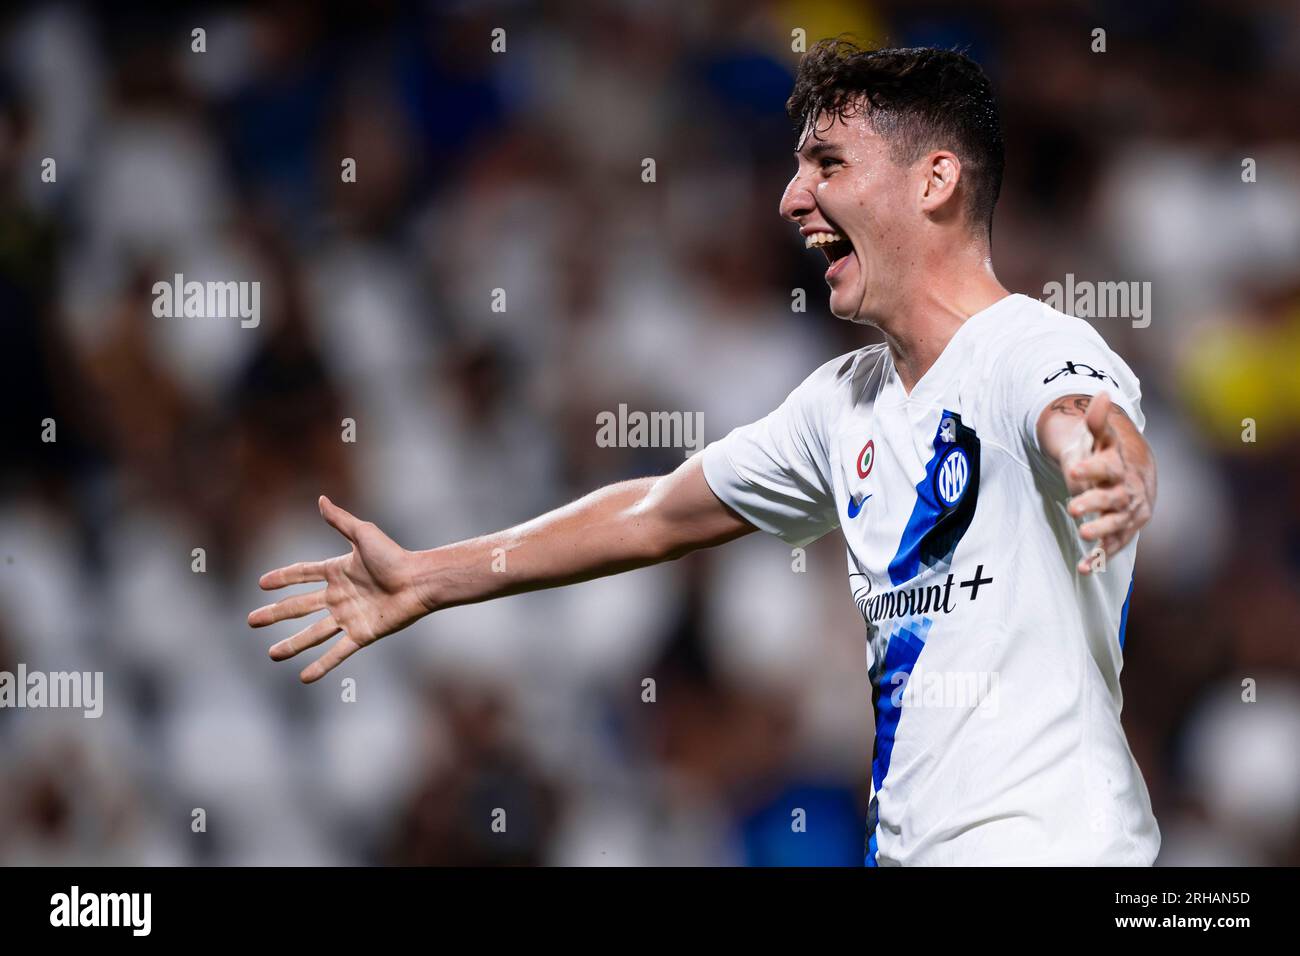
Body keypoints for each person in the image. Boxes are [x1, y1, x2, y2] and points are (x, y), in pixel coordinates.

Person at [249, 40, 1159, 865]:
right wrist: (432, 578)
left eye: (828, 165)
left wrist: (1106, 462)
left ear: (934, 182)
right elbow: (656, 514)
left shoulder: (1026, 347)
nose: (791, 198)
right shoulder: (842, 406)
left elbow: (1079, 414)